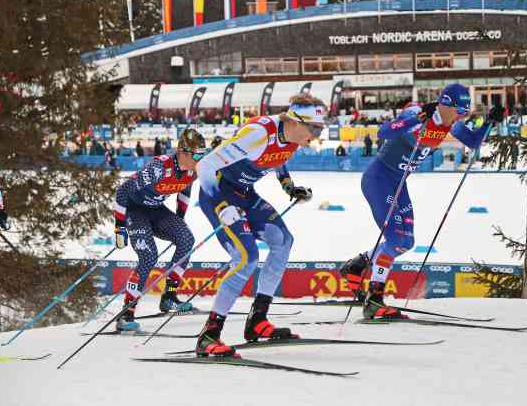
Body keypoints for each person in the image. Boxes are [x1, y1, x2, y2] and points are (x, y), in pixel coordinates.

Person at [339, 84, 503, 320]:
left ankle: (357, 266)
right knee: (395, 239)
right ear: (445, 104)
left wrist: (489, 122)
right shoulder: (416, 114)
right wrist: (417, 118)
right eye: (459, 111)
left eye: (464, 113)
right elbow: (384, 132)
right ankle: (375, 299)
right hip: (379, 180)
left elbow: (474, 142)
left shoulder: (450, 122)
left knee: (405, 242)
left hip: (398, 183)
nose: (460, 117)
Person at [193, 94, 324, 357]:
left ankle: (257, 321)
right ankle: (209, 335)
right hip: (218, 193)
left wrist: (288, 186)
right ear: (296, 122)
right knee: (246, 257)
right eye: (314, 129)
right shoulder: (257, 133)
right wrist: (222, 206)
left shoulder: (293, 137)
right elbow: (205, 165)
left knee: (283, 241)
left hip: (244, 193)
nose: (317, 134)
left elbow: (280, 157)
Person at [112, 127, 206, 332]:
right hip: (135, 211)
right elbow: (123, 191)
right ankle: (126, 315)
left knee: (186, 240)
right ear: (182, 151)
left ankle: (169, 298)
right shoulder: (159, 167)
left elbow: (184, 191)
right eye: (197, 154)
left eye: (203, 154)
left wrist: (178, 220)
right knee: (148, 256)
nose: (200, 159)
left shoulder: (194, 170)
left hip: (156, 210)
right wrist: (119, 227)